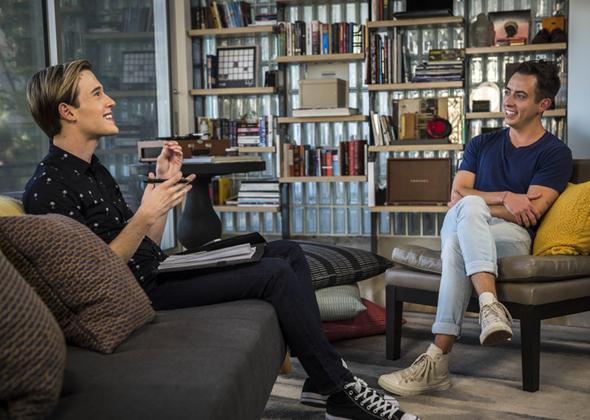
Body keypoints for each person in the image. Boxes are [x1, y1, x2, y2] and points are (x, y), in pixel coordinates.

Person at [23, 60, 419, 420]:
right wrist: (144, 214)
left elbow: (145, 246)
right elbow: (91, 281)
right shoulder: (48, 188)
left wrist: (161, 190)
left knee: (285, 250)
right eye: (97, 93)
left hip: (154, 270)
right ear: (67, 111)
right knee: (275, 274)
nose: (110, 100)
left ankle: (320, 379)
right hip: (141, 292)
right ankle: (338, 390)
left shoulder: (93, 170)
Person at [378, 60, 573, 396]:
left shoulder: (555, 153)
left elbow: (531, 214)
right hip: (467, 223)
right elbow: (458, 194)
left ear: (543, 104)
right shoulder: (481, 143)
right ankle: (489, 307)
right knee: (468, 210)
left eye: (520, 96)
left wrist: (476, 202)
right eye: (507, 92)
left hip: (510, 237)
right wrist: (506, 197)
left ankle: (437, 361)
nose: (508, 101)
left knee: (460, 237)